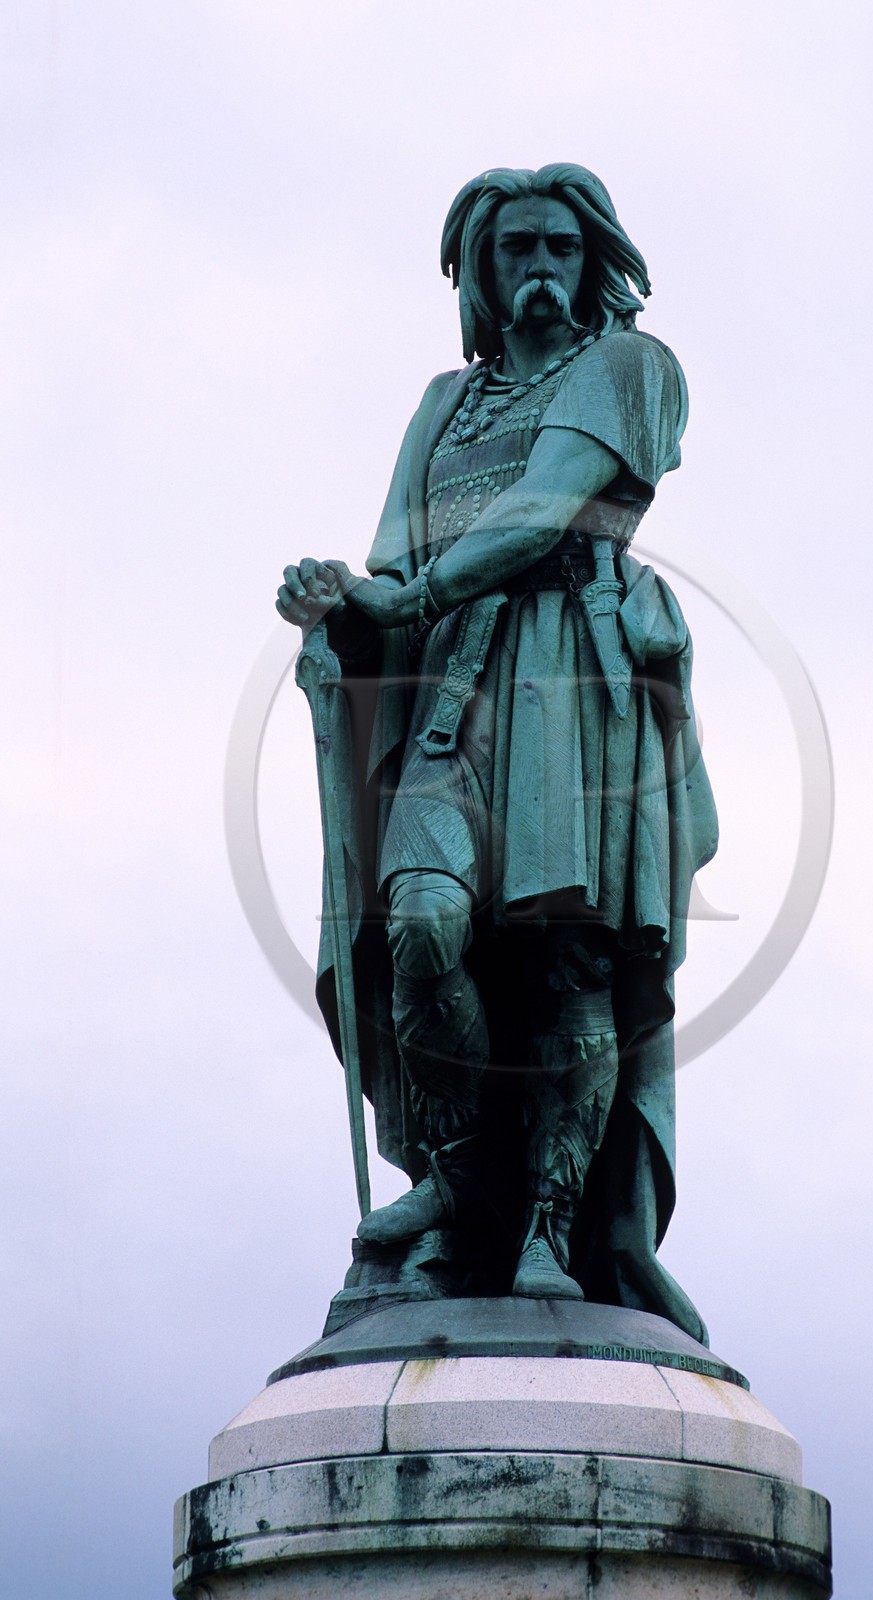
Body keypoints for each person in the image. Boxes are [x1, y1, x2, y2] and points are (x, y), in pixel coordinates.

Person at [276, 165, 718, 1339]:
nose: (538, 269)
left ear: (592, 264)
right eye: (515, 248)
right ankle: (466, 1173)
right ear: (481, 270)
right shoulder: (440, 403)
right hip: (448, 684)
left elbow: (544, 507)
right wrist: (341, 604)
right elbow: (390, 556)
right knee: (421, 919)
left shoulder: (630, 370)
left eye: (560, 250)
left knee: (566, 959)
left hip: (573, 674)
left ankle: (550, 1226)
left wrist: (404, 591)